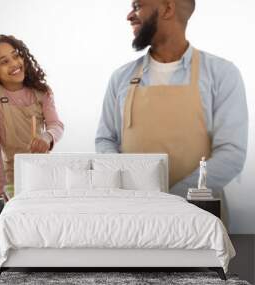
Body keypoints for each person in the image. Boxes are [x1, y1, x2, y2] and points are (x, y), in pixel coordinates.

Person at [95, 0, 248, 197]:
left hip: (199, 216)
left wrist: (174, 201)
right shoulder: (120, 78)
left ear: (168, 9)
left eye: (137, 6)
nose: (129, 16)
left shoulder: (222, 74)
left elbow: (231, 154)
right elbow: (106, 141)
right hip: (134, 212)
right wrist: (132, 192)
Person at [0, 35, 64, 201]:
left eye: (16, 56)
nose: (14, 63)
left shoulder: (42, 92)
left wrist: (47, 137)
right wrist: (1, 192)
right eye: (4, 62)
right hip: (13, 181)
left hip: (45, 176)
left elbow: (56, 125)